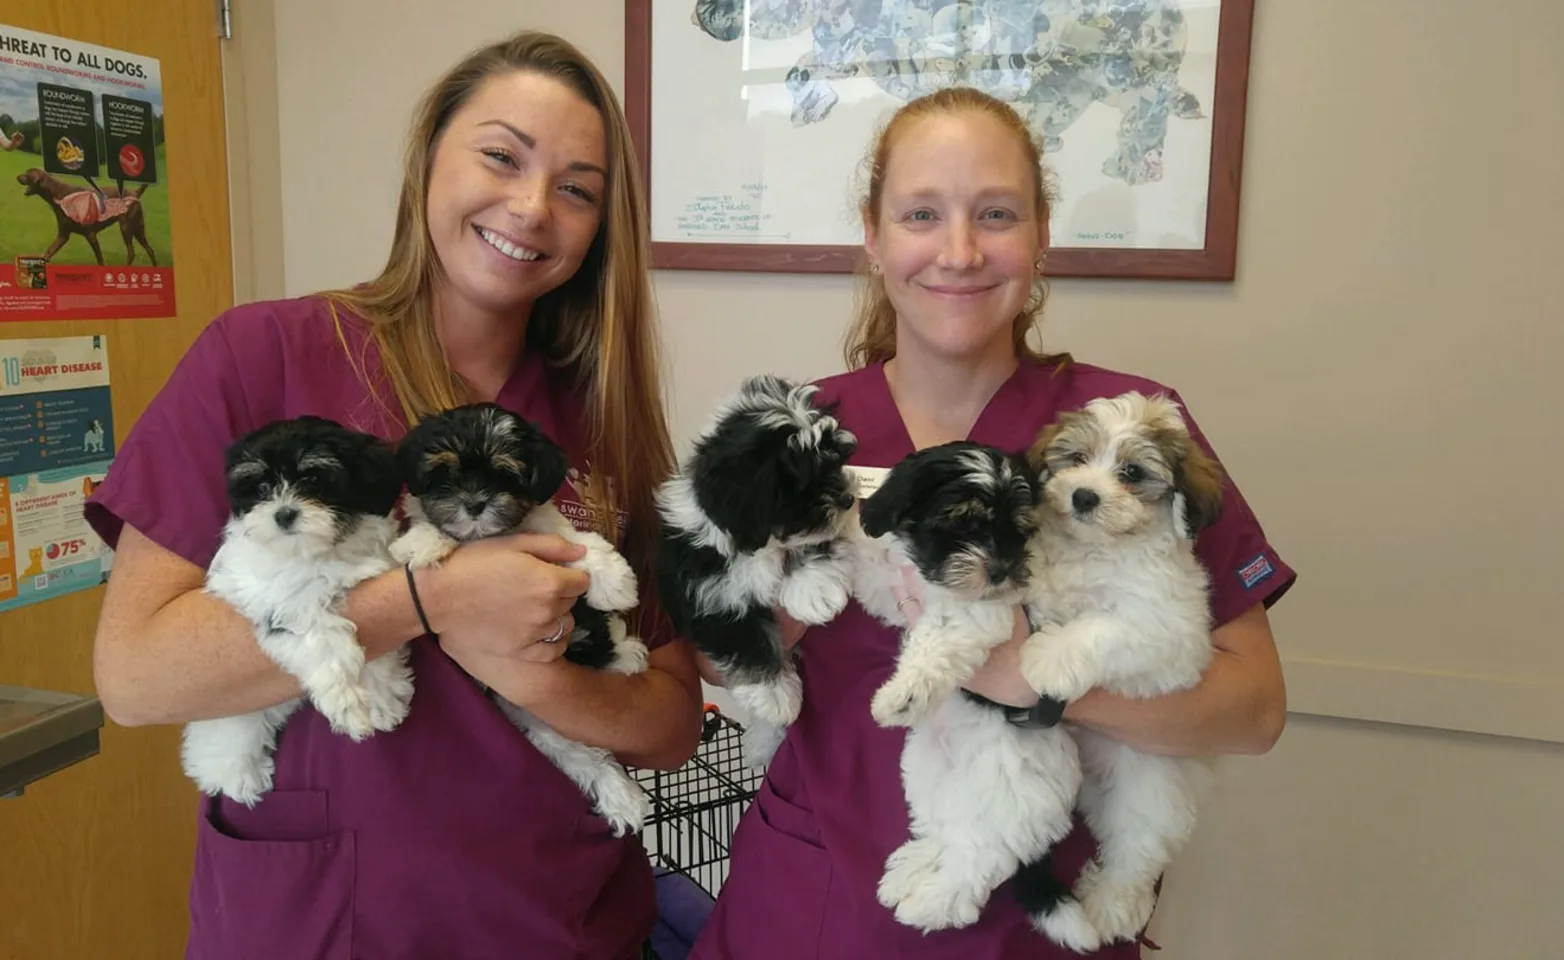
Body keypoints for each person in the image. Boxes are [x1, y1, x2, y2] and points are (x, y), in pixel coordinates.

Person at [84, 30, 703, 960]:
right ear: (427, 164)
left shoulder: (600, 420)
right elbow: (133, 677)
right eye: (501, 156)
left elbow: (670, 724)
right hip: (325, 916)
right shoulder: (262, 356)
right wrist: (430, 600)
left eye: (577, 189)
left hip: (557, 912)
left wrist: (530, 665)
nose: (532, 207)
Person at [689, 86, 1295, 960]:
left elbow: (1255, 710)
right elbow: (717, 655)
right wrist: (793, 590)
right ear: (874, 235)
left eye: (998, 214)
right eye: (922, 213)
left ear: (1042, 233)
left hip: (1033, 918)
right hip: (814, 904)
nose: (960, 251)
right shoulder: (804, 432)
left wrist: (1041, 682)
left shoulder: (1125, 434)